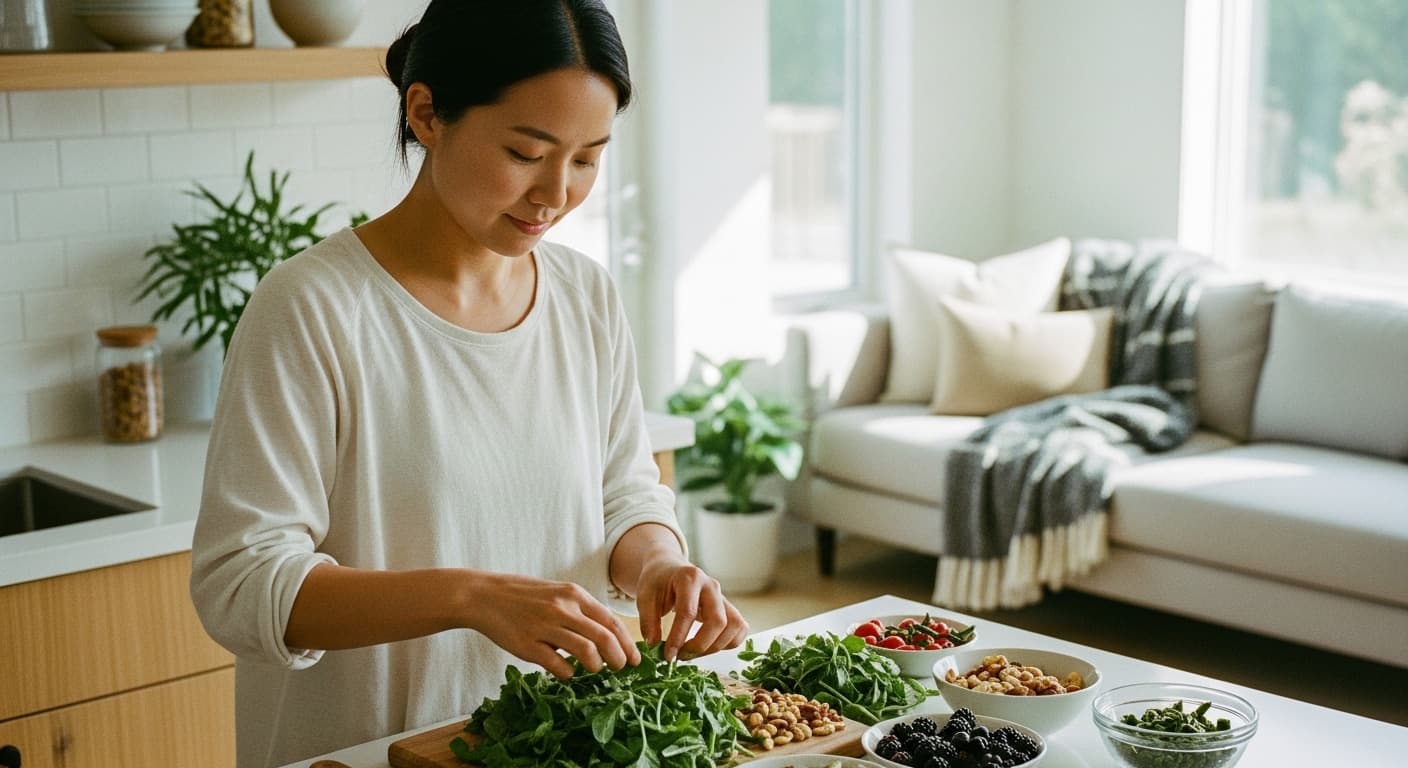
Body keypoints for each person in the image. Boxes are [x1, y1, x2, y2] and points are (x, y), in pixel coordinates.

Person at [188, 2, 748, 765]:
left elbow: (624, 494)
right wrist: (471, 598)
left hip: (557, 747)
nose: (555, 193)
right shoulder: (313, 308)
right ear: (426, 114)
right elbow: (242, 583)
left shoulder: (584, 295)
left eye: (587, 160)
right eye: (526, 152)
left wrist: (659, 564)